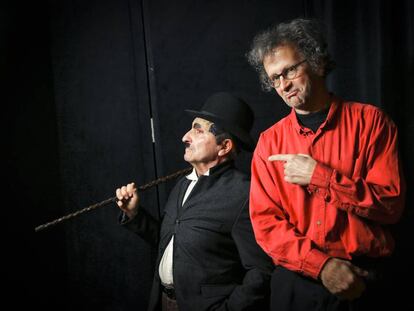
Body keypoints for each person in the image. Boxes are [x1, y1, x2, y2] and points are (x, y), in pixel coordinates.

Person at [246, 18, 406, 310]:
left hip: (365, 281)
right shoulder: (269, 143)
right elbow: (266, 225)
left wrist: (320, 176)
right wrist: (321, 266)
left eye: (290, 70)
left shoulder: (371, 123)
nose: (283, 85)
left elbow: (391, 205)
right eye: (275, 78)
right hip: (297, 285)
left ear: (317, 62)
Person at [115, 92, 273, 311]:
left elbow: (262, 270)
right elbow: (176, 243)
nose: (185, 137)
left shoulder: (244, 194)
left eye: (198, 130)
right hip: (164, 302)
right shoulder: (183, 185)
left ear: (224, 146)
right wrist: (135, 215)